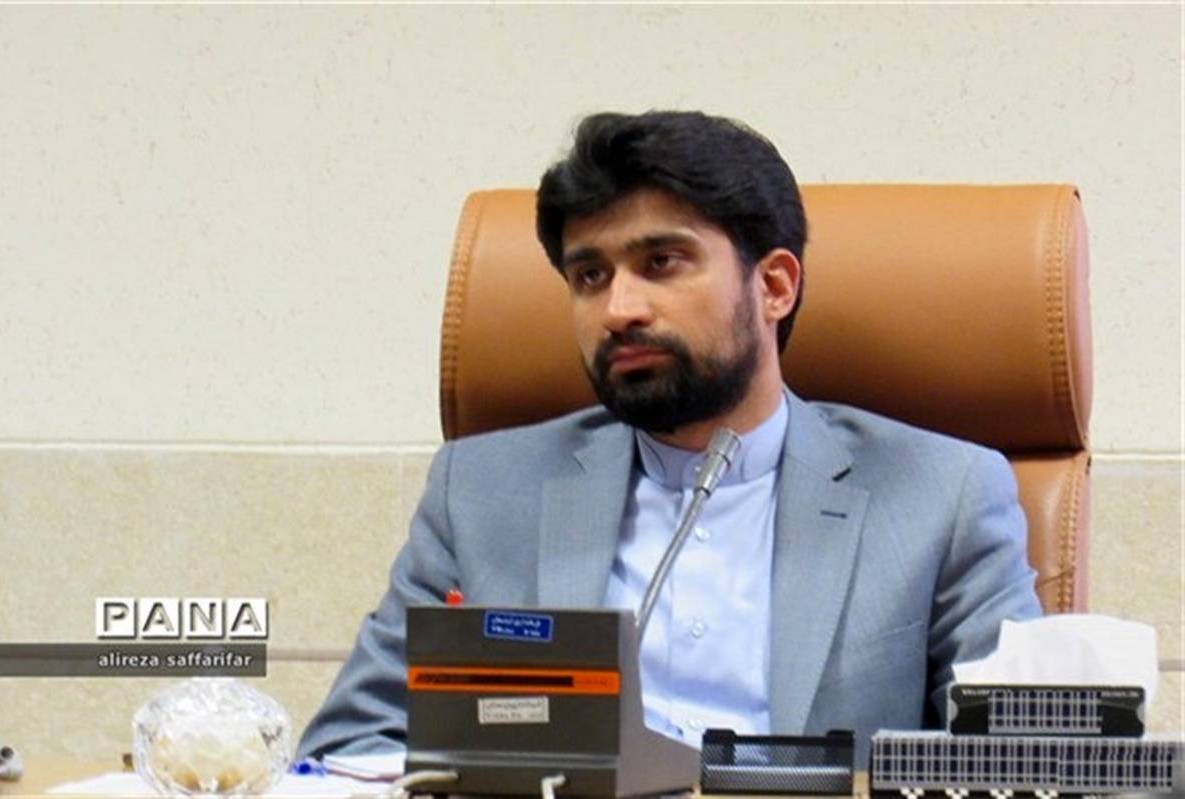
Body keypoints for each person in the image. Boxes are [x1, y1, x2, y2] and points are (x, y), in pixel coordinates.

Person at [297, 111, 1041, 766]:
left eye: (661, 263)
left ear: (775, 286)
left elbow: (1025, 762)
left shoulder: (942, 496)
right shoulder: (482, 492)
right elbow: (350, 747)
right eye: (590, 276)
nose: (619, 309)